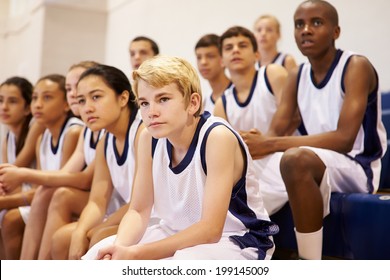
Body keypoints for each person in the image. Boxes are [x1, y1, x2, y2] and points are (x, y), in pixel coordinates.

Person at [82, 55, 278, 260]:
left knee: (182, 264)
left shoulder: (217, 137)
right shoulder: (147, 138)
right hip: (173, 231)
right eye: (144, 103)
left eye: (163, 99)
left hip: (236, 238)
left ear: (193, 103)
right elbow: (138, 211)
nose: (151, 112)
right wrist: (119, 248)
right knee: (98, 253)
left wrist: (135, 253)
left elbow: (211, 229)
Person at [240, 0, 387, 260]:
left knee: (296, 158)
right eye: (299, 24)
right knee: (243, 166)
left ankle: (309, 264)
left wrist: (270, 145)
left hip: (357, 167)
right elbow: (276, 132)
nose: (306, 30)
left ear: (335, 32)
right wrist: (247, 145)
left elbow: (343, 140)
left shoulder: (356, 66)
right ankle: (240, 249)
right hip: (319, 160)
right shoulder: (297, 74)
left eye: (316, 23)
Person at [0, 61, 102, 259]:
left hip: (102, 204)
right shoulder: (42, 136)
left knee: (55, 195)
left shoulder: (75, 130)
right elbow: (65, 174)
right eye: (70, 88)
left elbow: (82, 180)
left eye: (46, 98)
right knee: (50, 193)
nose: (37, 104)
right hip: (86, 201)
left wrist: (19, 178)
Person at [50, 64, 144, 260]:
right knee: (62, 238)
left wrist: (98, 228)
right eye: (81, 101)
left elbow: (141, 201)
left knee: (99, 237)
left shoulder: (143, 133)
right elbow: (96, 201)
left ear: (123, 98)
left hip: (149, 216)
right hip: (127, 214)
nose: (87, 108)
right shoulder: (105, 141)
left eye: (96, 97)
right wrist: (80, 231)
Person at [0, 77, 44, 259]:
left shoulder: (37, 127)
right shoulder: (8, 137)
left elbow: (11, 170)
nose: (4, 107)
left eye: (12, 101)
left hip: (37, 196)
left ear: (28, 108)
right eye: (1, 100)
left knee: (9, 218)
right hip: (25, 196)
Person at [194, 33, 231, 114]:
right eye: (199, 57)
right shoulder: (205, 102)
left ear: (223, 59)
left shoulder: (237, 94)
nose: (203, 62)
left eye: (210, 56)